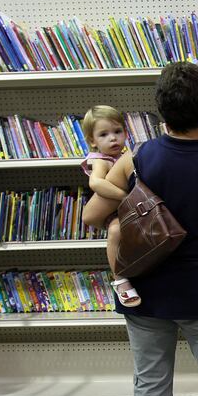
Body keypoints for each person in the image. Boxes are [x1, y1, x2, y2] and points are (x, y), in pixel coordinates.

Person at [82, 62, 198, 396]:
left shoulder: (138, 159)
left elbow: (91, 215)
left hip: (145, 291)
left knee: (150, 384)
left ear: (160, 110)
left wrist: (135, 195)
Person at [80, 105, 141, 307]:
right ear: (92, 141)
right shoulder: (101, 160)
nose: (113, 138)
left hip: (125, 211)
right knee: (115, 231)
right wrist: (125, 197)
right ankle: (120, 280)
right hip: (112, 212)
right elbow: (95, 183)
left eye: (117, 132)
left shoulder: (124, 154)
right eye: (104, 134)